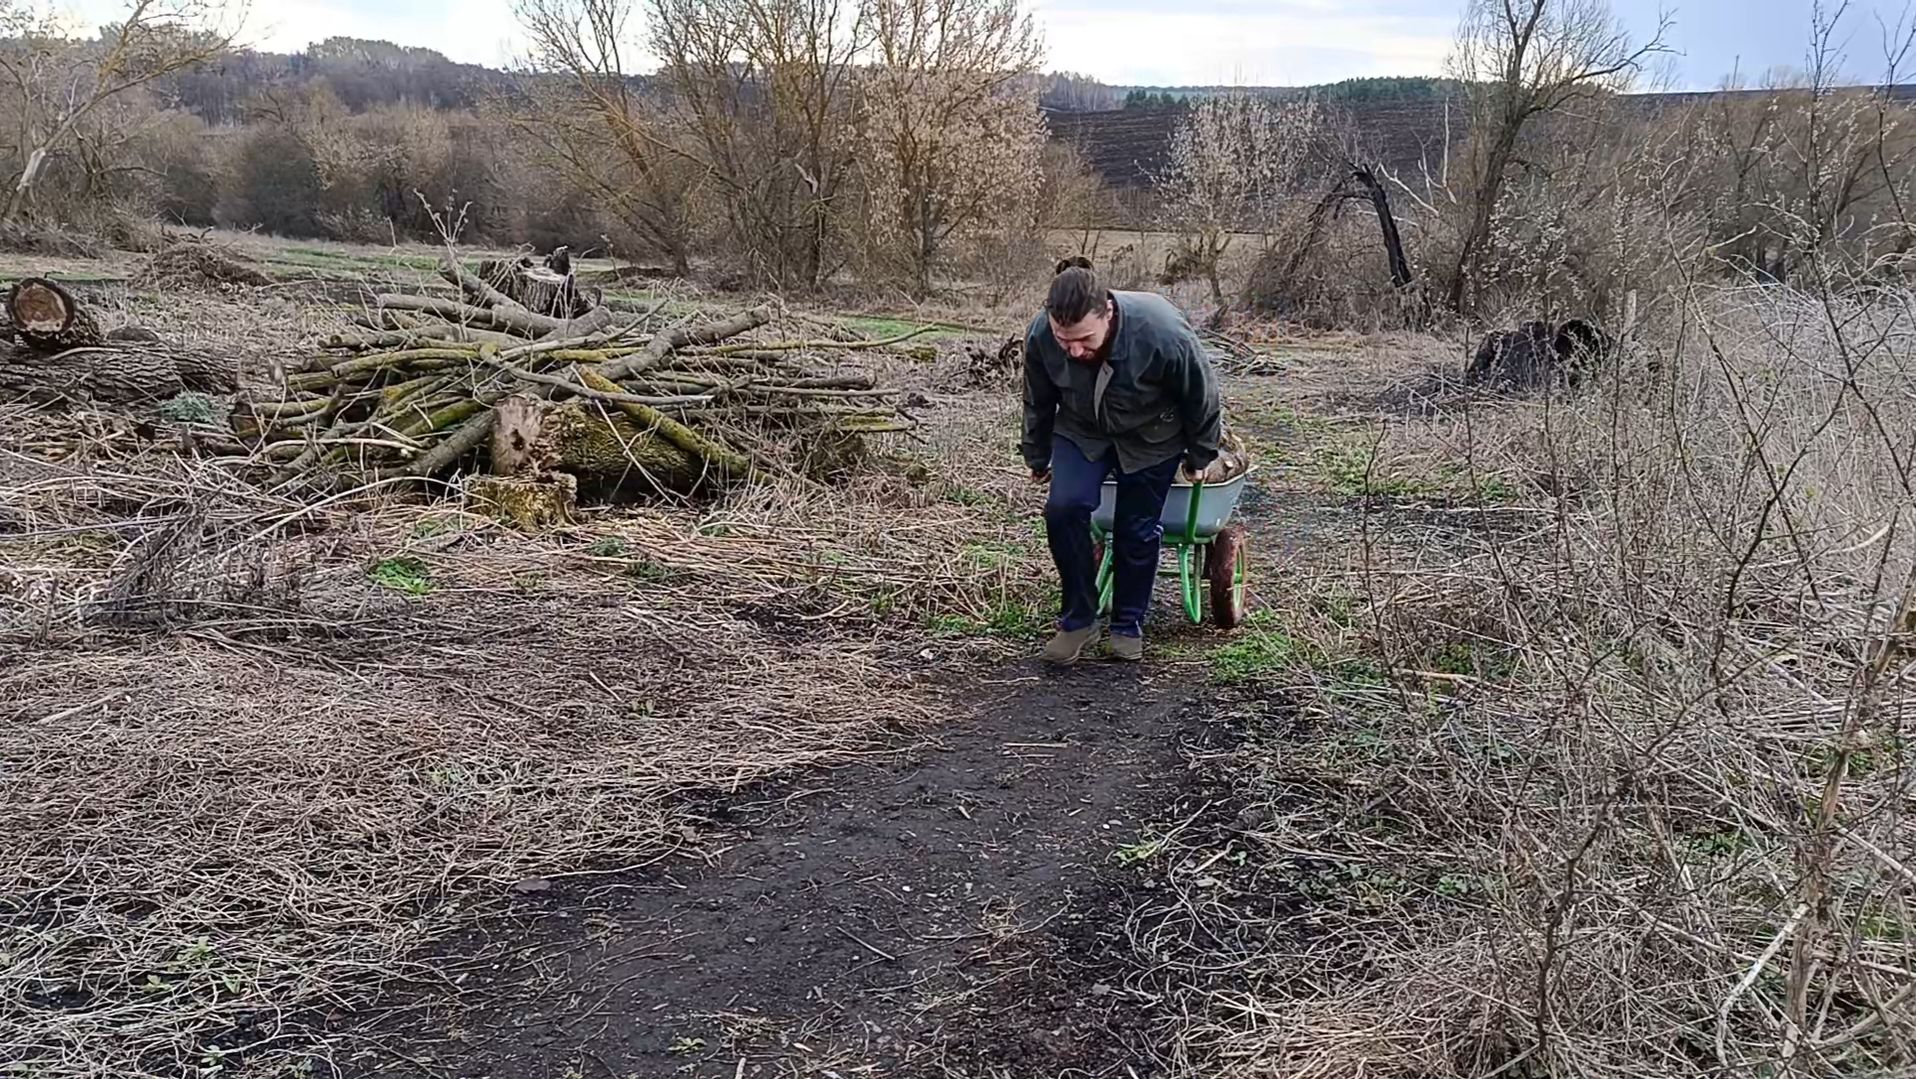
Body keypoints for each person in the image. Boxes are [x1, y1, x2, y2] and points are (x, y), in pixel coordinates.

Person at [1021, 256, 1222, 665]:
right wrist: (1037, 453)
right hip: (1082, 431)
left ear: (1107, 312)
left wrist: (1201, 454)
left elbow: (1201, 393)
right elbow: (1037, 400)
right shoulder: (1041, 334)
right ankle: (1078, 619)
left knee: (1137, 527)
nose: (1074, 351)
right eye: (1065, 341)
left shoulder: (1161, 330)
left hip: (1153, 436)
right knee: (1063, 508)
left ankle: (1127, 623)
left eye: (1085, 339)